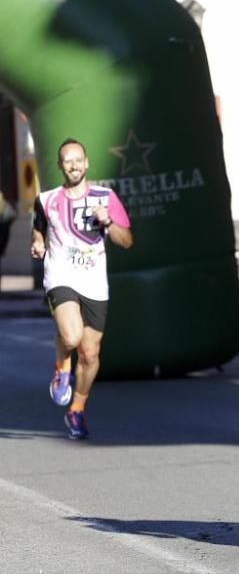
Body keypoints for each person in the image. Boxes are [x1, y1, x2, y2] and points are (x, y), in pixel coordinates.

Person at [31, 138, 133, 440]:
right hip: (60, 275)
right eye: (67, 160)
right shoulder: (47, 199)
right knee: (72, 336)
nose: (73, 165)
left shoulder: (105, 197)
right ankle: (61, 367)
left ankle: (76, 409)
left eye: (78, 160)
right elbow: (39, 227)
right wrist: (37, 242)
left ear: (86, 163)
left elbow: (127, 241)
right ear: (60, 165)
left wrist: (109, 222)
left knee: (89, 353)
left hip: (94, 281)